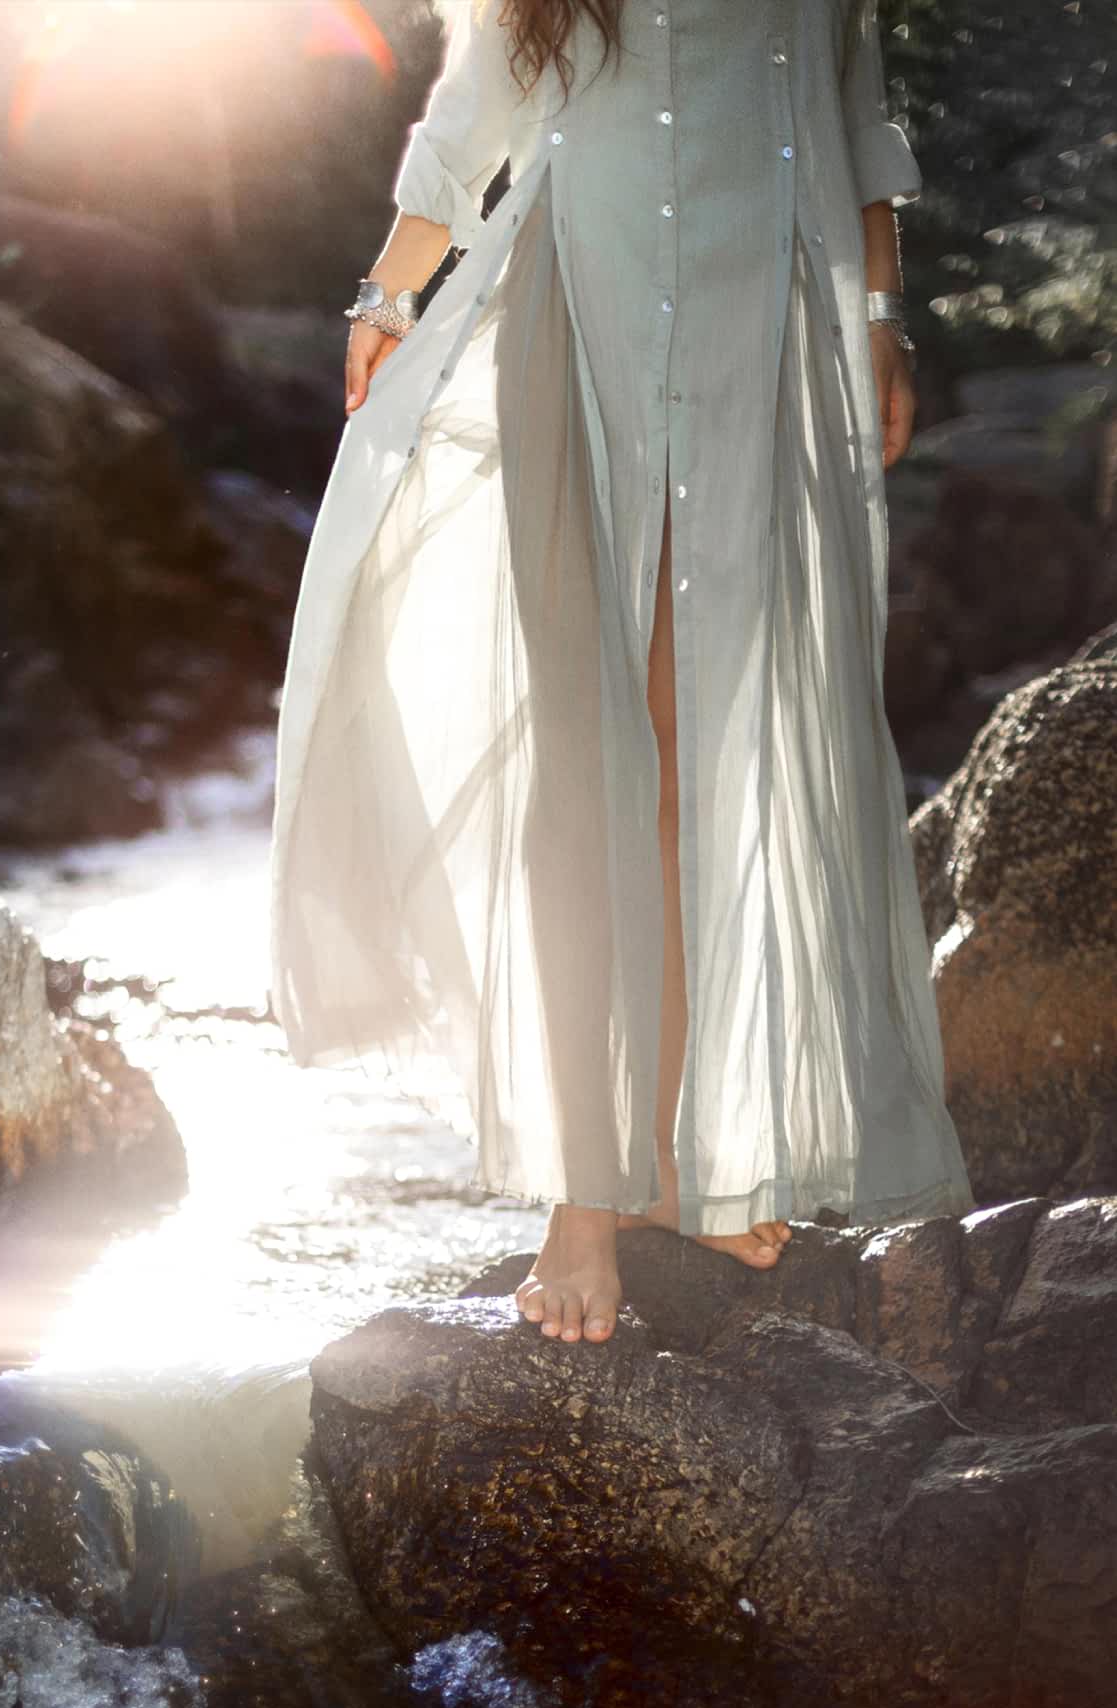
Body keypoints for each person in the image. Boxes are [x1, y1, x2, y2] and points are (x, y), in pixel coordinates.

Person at [269, 0, 974, 1348]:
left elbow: (852, 107)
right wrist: (387, 289)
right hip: (569, 316)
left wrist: (878, 320)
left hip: (754, 329)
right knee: (584, 755)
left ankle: (689, 1157)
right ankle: (581, 1201)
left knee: (703, 750)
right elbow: (477, 104)